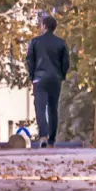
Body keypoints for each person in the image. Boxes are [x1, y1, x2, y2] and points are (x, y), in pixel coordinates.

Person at [26, 14, 70, 148]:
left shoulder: (35, 42)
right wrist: (61, 75)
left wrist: (33, 76)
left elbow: (30, 60)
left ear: (44, 26)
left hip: (40, 78)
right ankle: (51, 140)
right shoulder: (61, 43)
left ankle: (43, 136)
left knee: (40, 108)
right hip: (55, 79)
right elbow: (66, 62)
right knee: (53, 108)